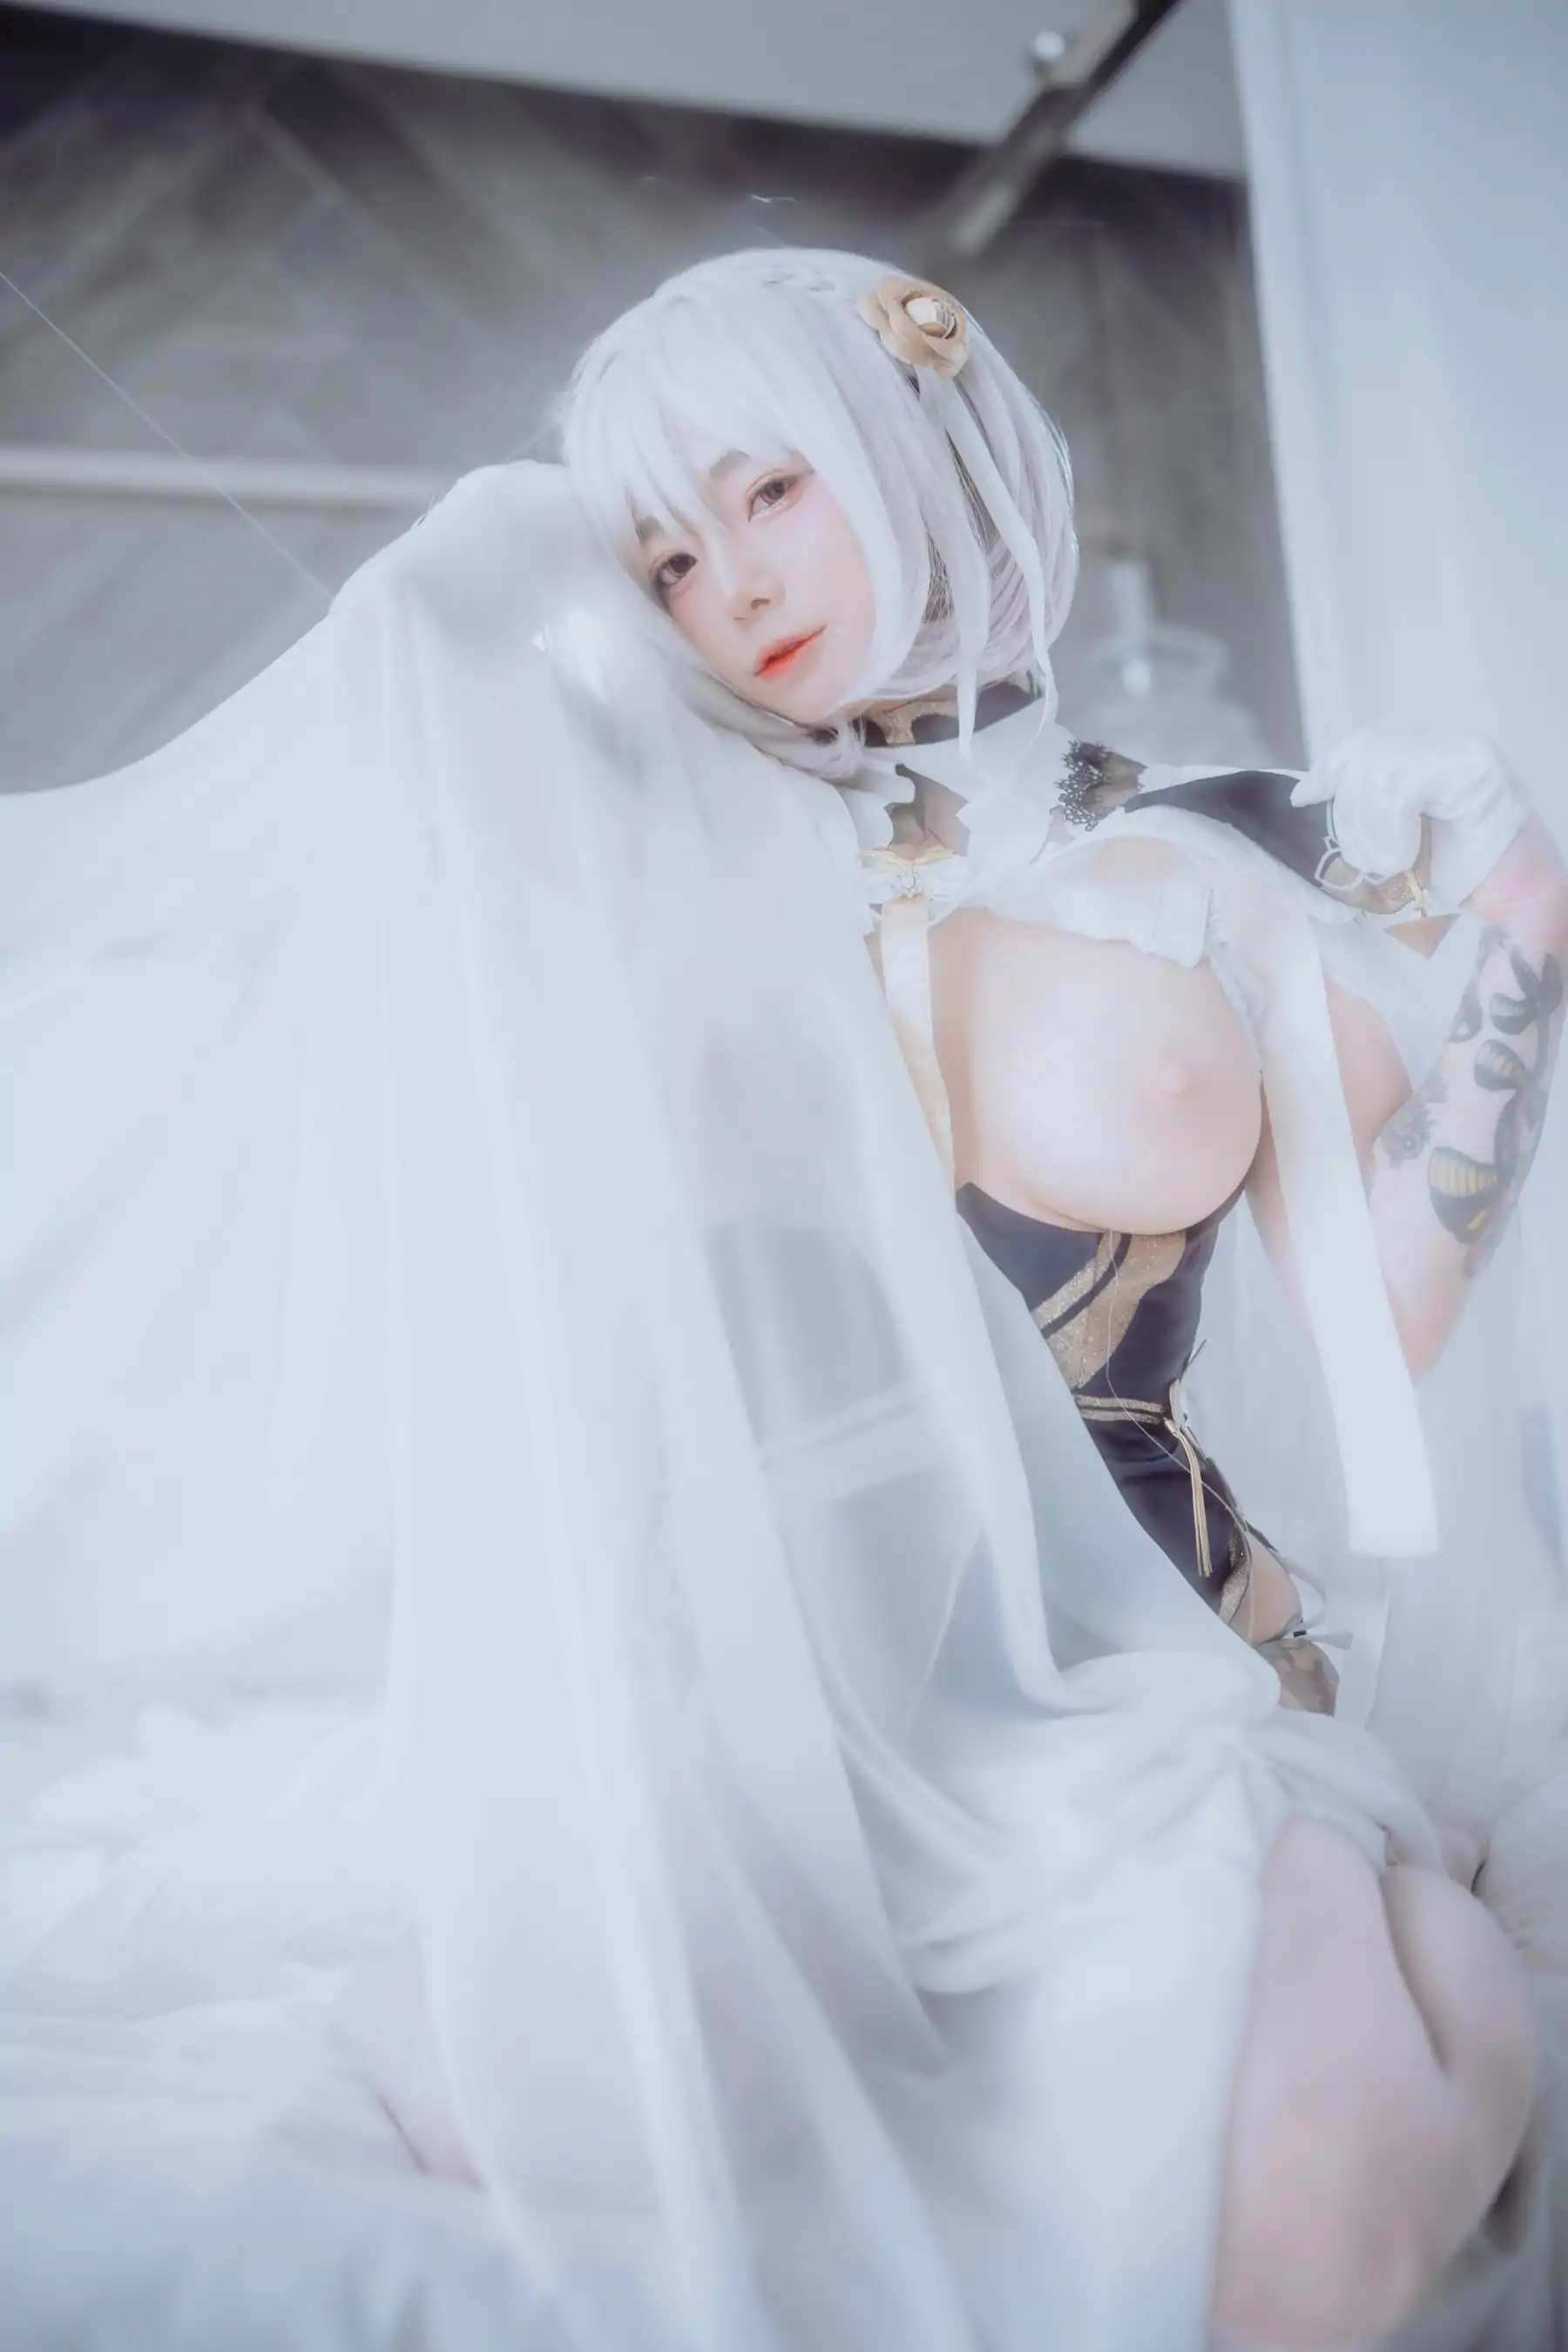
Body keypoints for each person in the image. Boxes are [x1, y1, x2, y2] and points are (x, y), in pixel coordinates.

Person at [0, 246, 1559, 2352]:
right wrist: (569, 509)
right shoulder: (657, 835)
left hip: (1152, 1666)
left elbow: (1380, 1349)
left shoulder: (1221, 862)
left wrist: (1520, 955)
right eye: (664, 552)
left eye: (769, 488)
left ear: (919, 439)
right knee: (561, 2119)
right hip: (775, 1668)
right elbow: (424, 652)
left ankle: (1417, 1916)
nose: (729, 585)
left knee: (1324, 2220)